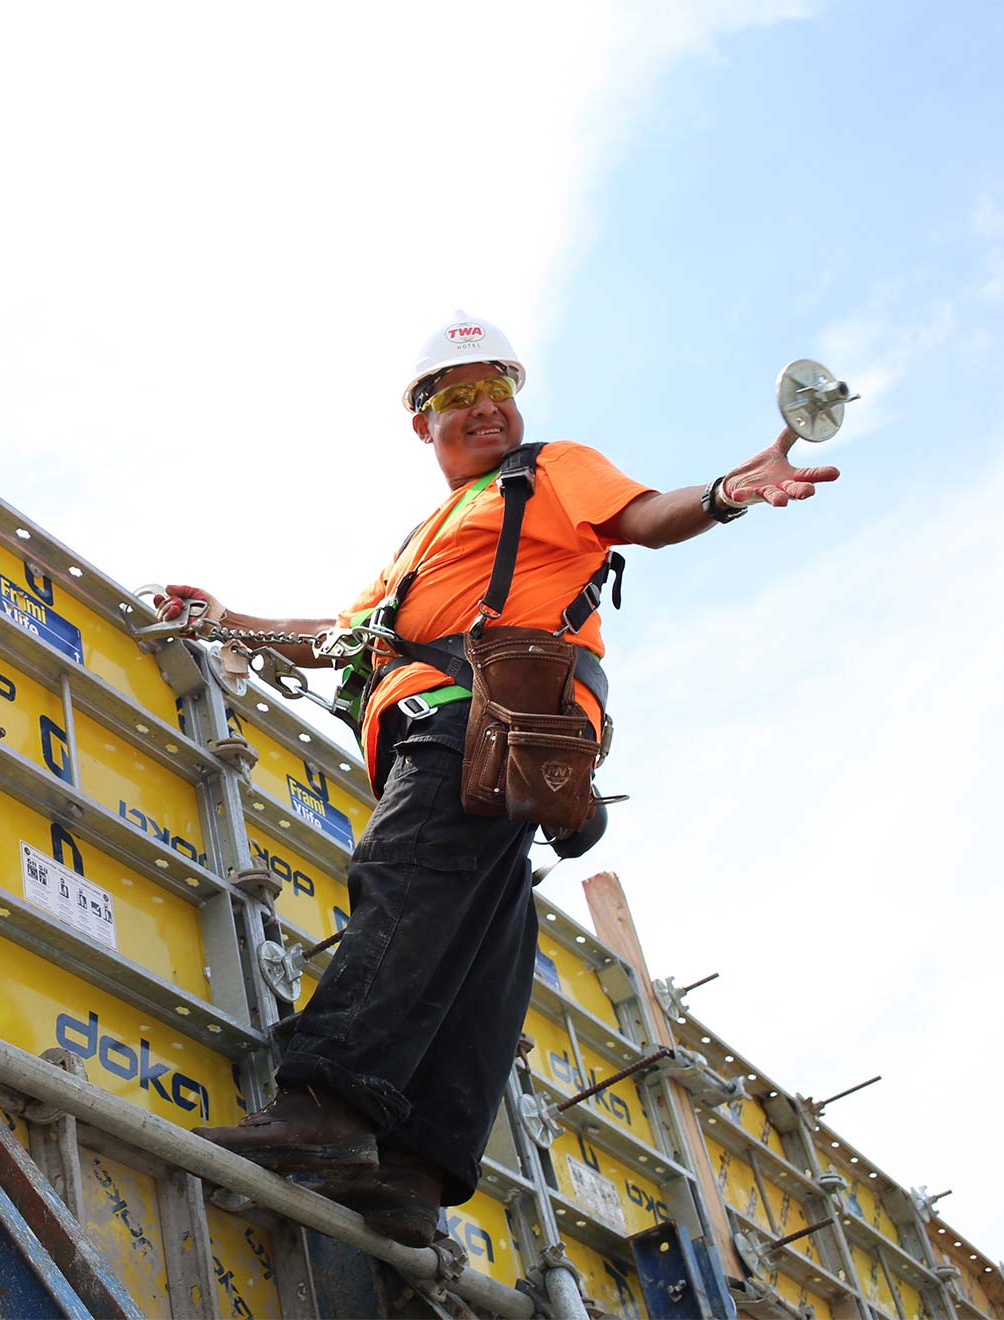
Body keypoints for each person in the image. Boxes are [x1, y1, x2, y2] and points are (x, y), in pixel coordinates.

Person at [173, 313, 839, 1245]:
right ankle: (412, 1170)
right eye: (456, 394)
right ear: (422, 423)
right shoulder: (428, 535)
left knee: (406, 881)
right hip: (462, 729)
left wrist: (729, 490)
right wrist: (229, 617)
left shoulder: (550, 468)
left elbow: (644, 519)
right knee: (484, 945)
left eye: (498, 389)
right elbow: (342, 641)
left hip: (483, 722)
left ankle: (324, 1106)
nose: (484, 406)